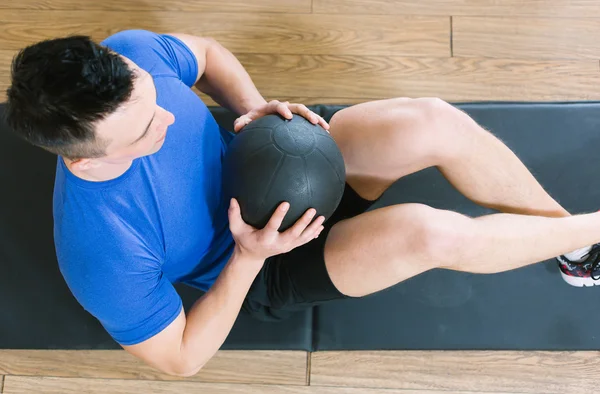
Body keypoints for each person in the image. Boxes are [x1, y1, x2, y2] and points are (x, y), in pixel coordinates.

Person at [4, 29, 599, 377]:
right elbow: (181, 358)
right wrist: (247, 257)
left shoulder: (130, 54)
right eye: (143, 133)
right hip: (263, 261)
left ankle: (576, 245)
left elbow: (206, 55)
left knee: (431, 121)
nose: (166, 114)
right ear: (83, 160)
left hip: (275, 160)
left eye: (153, 96)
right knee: (430, 234)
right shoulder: (99, 250)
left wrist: (253, 109)